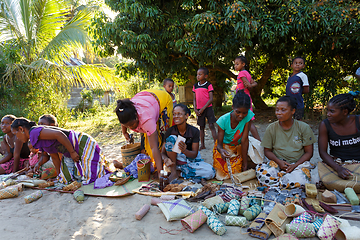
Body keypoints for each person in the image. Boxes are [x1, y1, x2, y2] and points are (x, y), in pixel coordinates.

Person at [11, 118, 108, 184]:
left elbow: (59, 134)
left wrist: (72, 152)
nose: (17, 138)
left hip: (80, 143)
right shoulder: (33, 139)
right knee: (65, 180)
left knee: (94, 177)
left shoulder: (34, 132)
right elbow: (53, 156)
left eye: (15, 134)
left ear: (21, 129)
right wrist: (58, 175)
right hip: (70, 150)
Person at [256, 96, 316, 188]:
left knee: (302, 180)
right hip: (277, 163)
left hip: (298, 164)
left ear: (293, 111)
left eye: (283, 110)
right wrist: (278, 162)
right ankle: (285, 182)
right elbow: (267, 151)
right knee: (263, 176)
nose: (279, 113)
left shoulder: (304, 127)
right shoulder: (271, 128)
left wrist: (295, 165)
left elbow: (309, 153)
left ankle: (280, 182)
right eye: (277, 110)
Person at [115, 89, 173, 177]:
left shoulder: (146, 119)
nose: (131, 128)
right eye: (128, 126)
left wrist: (160, 174)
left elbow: (154, 147)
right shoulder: (125, 110)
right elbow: (123, 120)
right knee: (145, 142)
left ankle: (161, 169)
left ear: (136, 116)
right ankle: (152, 166)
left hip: (163, 100)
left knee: (162, 137)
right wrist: (124, 132)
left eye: (131, 124)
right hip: (146, 99)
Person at [161, 104, 215, 181]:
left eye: (179, 114)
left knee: (211, 172)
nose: (176, 116)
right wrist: (166, 159)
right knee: (172, 138)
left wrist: (184, 151)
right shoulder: (170, 131)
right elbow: (162, 152)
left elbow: (194, 154)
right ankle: (173, 172)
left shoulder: (194, 131)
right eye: (174, 114)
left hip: (190, 161)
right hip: (175, 161)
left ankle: (180, 173)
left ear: (186, 116)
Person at [213, 90, 253, 180]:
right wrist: (222, 150)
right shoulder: (222, 120)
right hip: (224, 148)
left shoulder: (248, 116)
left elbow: (244, 140)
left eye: (244, 113)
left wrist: (244, 163)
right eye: (238, 112)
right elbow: (219, 145)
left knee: (237, 174)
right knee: (221, 176)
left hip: (237, 148)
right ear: (232, 107)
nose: (241, 116)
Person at [318, 93, 360, 179]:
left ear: (344, 112)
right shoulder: (325, 125)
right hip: (337, 164)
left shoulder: (358, 121)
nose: (328, 114)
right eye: (328, 110)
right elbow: (322, 152)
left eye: (332, 111)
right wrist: (338, 168)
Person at [234, 56, 261, 140]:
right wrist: (250, 85)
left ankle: (258, 141)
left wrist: (248, 86)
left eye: (237, 64)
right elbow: (254, 83)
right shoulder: (247, 73)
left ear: (243, 64)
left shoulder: (241, 73)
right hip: (247, 97)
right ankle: (246, 138)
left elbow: (249, 85)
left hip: (242, 99)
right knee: (247, 121)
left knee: (248, 121)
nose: (235, 66)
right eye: (235, 64)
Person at [192, 67, 217, 150]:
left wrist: (203, 108)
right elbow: (194, 99)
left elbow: (211, 99)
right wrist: (195, 109)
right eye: (197, 74)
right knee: (201, 127)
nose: (198, 76)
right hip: (199, 110)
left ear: (206, 76)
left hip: (208, 108)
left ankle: (216, 144)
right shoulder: (195, 86)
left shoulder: (208, 85)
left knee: (211, 125)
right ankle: (202, 145)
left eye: (200, 74)